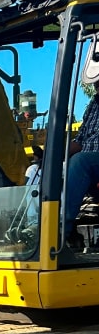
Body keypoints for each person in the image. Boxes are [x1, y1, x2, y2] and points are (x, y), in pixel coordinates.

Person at [64, 73, 99, 251]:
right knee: (42, 167)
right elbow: (81, 137)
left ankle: (61, 228)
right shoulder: (94, 104)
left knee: (80, 161)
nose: (96, 86)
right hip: (89, 159)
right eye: (95, 83)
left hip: (91, 159)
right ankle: (35, 223)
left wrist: (78, 149)